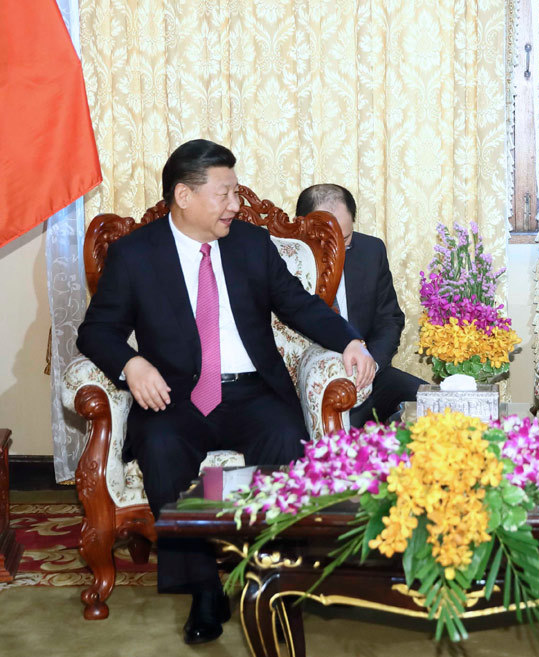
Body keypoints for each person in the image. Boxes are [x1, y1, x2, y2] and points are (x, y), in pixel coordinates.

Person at [76, 140, 375, 645]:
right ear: (184, 196)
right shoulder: (136, 254)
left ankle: (272, 576)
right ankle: (203, 590)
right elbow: (96, 331)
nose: (236, 204)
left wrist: (349, 340)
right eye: (225, 193)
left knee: (285, 440)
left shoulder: (251, 244)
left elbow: (299, 305)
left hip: (252, 392)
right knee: (162, 447)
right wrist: (131, 364)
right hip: (174, 395)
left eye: (236, 193)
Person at [296, 184, 426, 427]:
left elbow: (389, 319)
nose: (337, 249)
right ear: (303, 226)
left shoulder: (370, 250)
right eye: (328, 239)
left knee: (436, 406)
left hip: (370, 373)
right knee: (345, 433)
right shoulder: (284, 259)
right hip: (313, 383)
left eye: (345, 238)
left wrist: (371, 365)